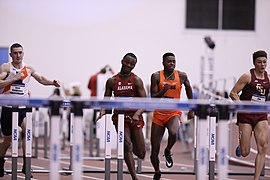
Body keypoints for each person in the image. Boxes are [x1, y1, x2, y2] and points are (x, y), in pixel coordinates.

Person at [0, 43, 60, 177]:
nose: (18, 55)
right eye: (15, 53)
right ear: (11, 55)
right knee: (7, 140)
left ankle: (27, 166)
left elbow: (41, 79)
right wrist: (13, 79)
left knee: (28, 134)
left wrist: (52, 82)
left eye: (20, 52)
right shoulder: (5, 68)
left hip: (24, 108)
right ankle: (0, 161)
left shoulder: (29, 68)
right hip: (7, 108)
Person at [96, 53, 146, 180]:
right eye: (127, 62)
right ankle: (134, 177)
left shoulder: (136, 80)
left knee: (141, 153)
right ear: (122, 61)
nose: (128, 65)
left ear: (134, 66)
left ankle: (132, 147)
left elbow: (145, 101)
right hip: (119, 117)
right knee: (126, 145)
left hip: (134, 117)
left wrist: (137, 113)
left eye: (132, 64)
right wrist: (102, 111)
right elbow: (106, 100)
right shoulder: (112, 81)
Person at [150, 52, 194, 180]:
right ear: (163, 62)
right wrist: (163, 91)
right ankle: (157, 171)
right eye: (169, 61)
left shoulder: (181, 76)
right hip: (158, 114)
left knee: (174, 132)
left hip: (173, 113)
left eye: (174, 61)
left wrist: (191, 108)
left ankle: (168, 150)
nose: (172, 64)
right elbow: (153, 97)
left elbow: (189, 89)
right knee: (154, 152)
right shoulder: (156, 76)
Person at [229, 50, 269, 180]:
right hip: (246, 115)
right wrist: (242, 106)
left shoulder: (269, 78)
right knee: (245, 152)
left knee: (262, 147)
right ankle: (241, 145)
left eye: (264, 62)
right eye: (259, 62)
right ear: (254, 63)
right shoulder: (247, 76)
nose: (262, 65)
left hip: (260, 115)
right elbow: (233, 93)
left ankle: (256, 179)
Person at [88, 65, 114, 136]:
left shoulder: (93, 77)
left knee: (95, 117)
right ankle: (101, 134)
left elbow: (89, 87)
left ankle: (94, 134)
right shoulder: (109, 78)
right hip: (102, 99)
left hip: (94, 99)